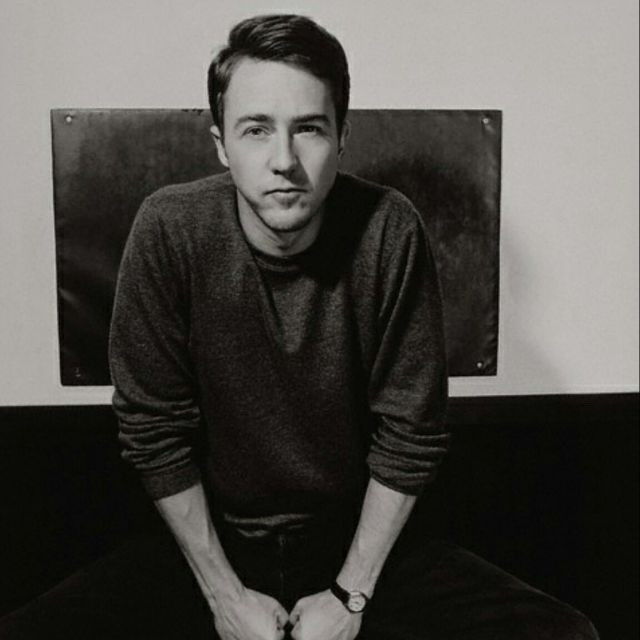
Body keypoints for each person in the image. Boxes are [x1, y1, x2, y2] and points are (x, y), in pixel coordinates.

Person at [0, 13, 598, 640]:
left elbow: (412, 431)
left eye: (308, 128)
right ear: (221, 144)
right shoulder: (170, 229)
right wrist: (226, 597)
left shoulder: (389, 228)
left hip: (358, 540)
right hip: (209, 541)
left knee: (562, 633)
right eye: (256, 129)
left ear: (342, 137)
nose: (284, 160)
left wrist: (350, 597)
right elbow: (152, 428)